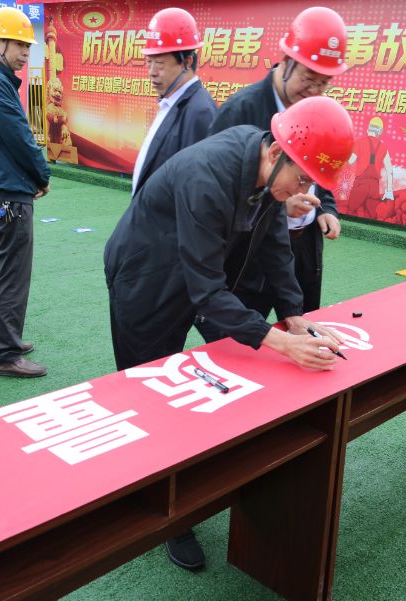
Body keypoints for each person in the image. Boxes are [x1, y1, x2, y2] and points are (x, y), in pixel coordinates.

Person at [104, 96, 352, 569]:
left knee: (209, 382)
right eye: (302, 179)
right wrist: (280, 342)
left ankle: (195, 478)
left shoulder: (264, 171)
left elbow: (276, 247)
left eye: (311, 184)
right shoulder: (208, 175)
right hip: (145, 279)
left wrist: (294, 316)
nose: (303, 192)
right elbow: (208, 293)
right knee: (150, 393)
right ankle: (166, 516)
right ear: (276, 152)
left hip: (192, 274)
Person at [204, 7, 349, 329]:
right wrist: (279, 204)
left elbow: (318, 167)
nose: (314, 91)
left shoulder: (315, 109)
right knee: (242, 341)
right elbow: (217, 190)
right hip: (252, 257)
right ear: (285, 61)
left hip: (303, 245)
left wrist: (324, 207)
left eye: (323, 83)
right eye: (308, 79)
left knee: (305, 327)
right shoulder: (241, 110)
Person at [0, 7, 50, 378]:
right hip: (5, 191)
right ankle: (5, 354)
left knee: (0, 269)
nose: (25, 53)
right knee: (12, 273)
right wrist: (42, 174)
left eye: (27, 46)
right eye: (19, 45)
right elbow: (20, 137)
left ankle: (3, 339)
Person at [131, 7, 216, 196]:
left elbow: (195, 190)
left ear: (187, 62)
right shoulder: (171, 102)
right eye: (149, 62)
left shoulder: (199, 112)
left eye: (159, 63)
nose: (152, 72)